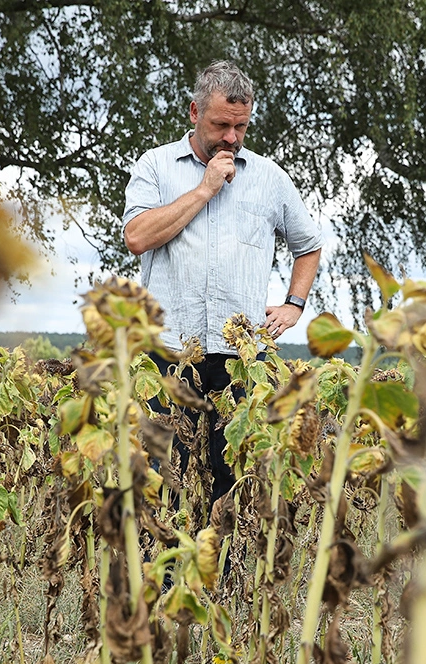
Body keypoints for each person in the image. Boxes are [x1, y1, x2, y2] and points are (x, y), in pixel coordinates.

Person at [122, 60, 323, 509]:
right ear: (194, 113)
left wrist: (294, 305)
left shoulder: (271, 179)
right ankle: (165, 578)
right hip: (167, 353)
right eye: (220, 125)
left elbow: (308, 247)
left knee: (230, 486)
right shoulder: (156, 166)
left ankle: (221, 578)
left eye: (241, 126)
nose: (231, 137)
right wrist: (204, 190)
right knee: (160, 484)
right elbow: (136, 236)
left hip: (240, 359)